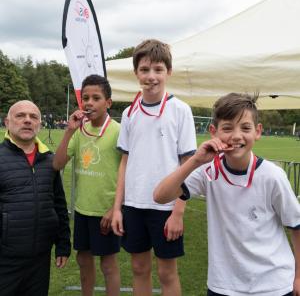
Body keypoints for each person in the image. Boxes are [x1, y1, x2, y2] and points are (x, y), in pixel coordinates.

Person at [154, 93, 300, 296]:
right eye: (227, 128)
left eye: (246, 128)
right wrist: (195, 160)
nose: (237, 135)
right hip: (224, 286)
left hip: (273, 285)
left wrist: (299, 276)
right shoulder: (208, 171)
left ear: (257, 132)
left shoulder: (273, 176)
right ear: (214, 132)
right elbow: (160, 196)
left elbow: (296, 225)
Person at [111, 39, 197, 296]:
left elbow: (187, 165)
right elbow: (125, 162)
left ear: (168, 72)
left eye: (158, 69)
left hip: (166, 207)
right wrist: (117, 208)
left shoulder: (181, 110)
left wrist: (178, 212)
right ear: (136, 72)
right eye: (145, 69)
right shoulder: (128, 114)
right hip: (134, 205)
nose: (151, 76)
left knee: (166, 272)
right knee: (139, 268)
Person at [53, 74, 121, 296]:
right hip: (82, 209)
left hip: (106, 211)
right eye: (86, 98)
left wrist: (115, 208)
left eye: (96, 98)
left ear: (108, 103)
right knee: (83, 260)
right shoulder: (79, 130)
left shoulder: (119, 131)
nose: (89, 103)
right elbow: (57, 163)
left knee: (108, 264)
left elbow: (128, 173)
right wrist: (69, 131)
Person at [0, 100, 71, 296]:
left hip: (40, 259)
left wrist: (63, 244)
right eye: (20, 116)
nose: (27, 121)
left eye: (33, 117)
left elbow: (59, 203)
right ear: (7, 122)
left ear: (39, 124)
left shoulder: (50, 160)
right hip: (6, 260)